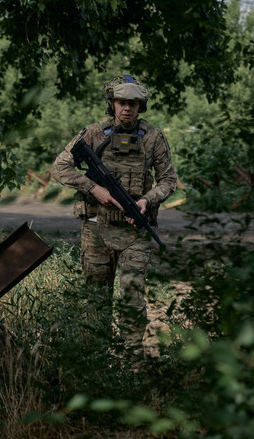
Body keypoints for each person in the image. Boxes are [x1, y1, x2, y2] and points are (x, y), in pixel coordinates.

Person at [52, 74, 178, 363]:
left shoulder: (154, 137)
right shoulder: (94, 133)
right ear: (112, 103)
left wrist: (147, 200)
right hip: (96, 229)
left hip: (135, 232)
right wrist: (93, 188)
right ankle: (96, 362)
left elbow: (169, 179)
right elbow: (60, 167)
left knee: (133, 299)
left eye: (133, 103)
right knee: (96, 299)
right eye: (122, 102)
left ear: (140, 106)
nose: (127, 109)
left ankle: (133, 362)